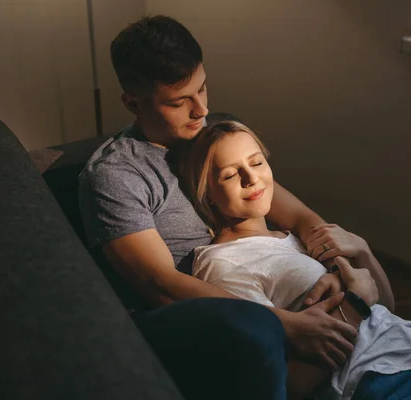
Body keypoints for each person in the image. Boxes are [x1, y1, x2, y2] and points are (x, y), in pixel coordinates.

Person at [78, 15, 367, 400]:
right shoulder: (116, 175)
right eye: (179, 102)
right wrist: (283, 324)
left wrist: (333, 269)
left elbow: (298, 217)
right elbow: (159, 285)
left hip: (263, 283)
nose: (200, 110)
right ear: (133, 102)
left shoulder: (213, 132)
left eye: (203, 89)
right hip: (194, 314)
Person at [179, 119, 411, 400]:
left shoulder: (292, 237)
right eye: (232, 174)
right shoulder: (224, 264)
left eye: (257, 162)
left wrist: (363, 252)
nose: (252, 179)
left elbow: (384, 305)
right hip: (386, 384)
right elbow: (287, 383)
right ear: (207, 194)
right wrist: (355, 301)